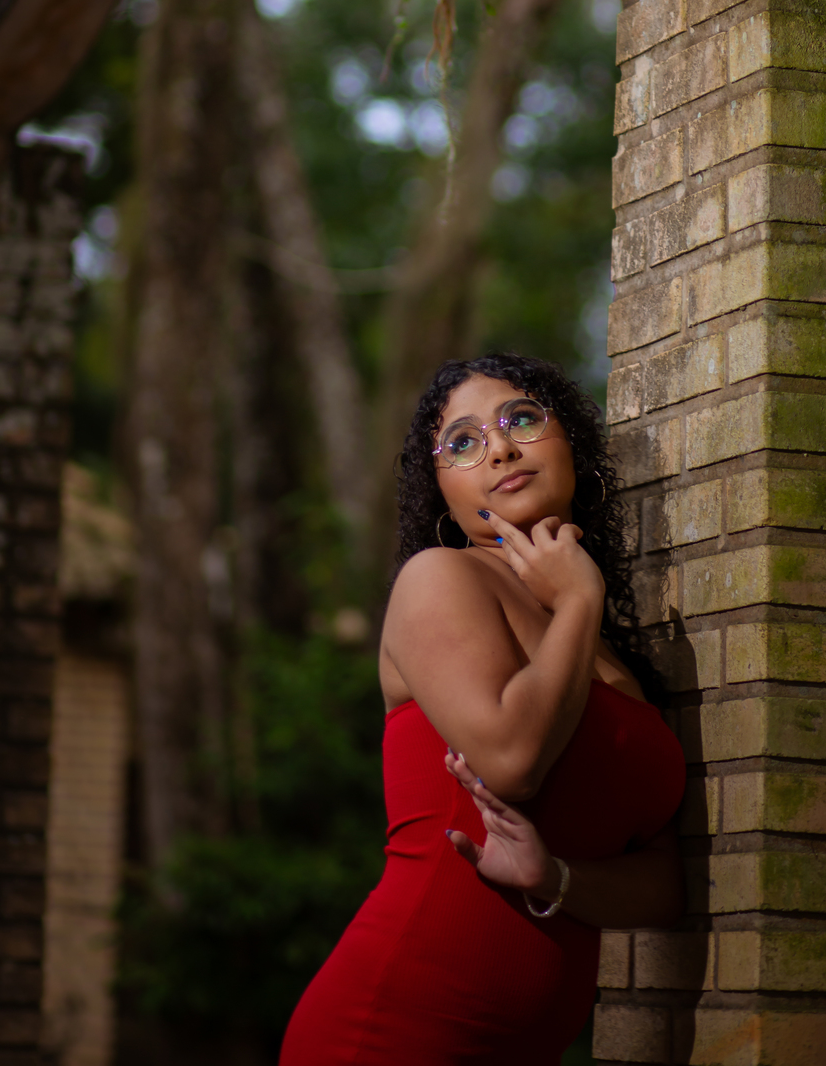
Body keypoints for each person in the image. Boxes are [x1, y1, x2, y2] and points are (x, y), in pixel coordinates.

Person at [280, 352, 686, 1066]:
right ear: (441, 489)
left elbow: (664, 885)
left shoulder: (609, 658)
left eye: (521, 420)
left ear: (572, 445)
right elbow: (511, 761)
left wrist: (556, 878)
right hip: (389, 1033)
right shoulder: (440, 580)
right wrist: (580, 597)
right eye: (462, 442)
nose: (498, 448)